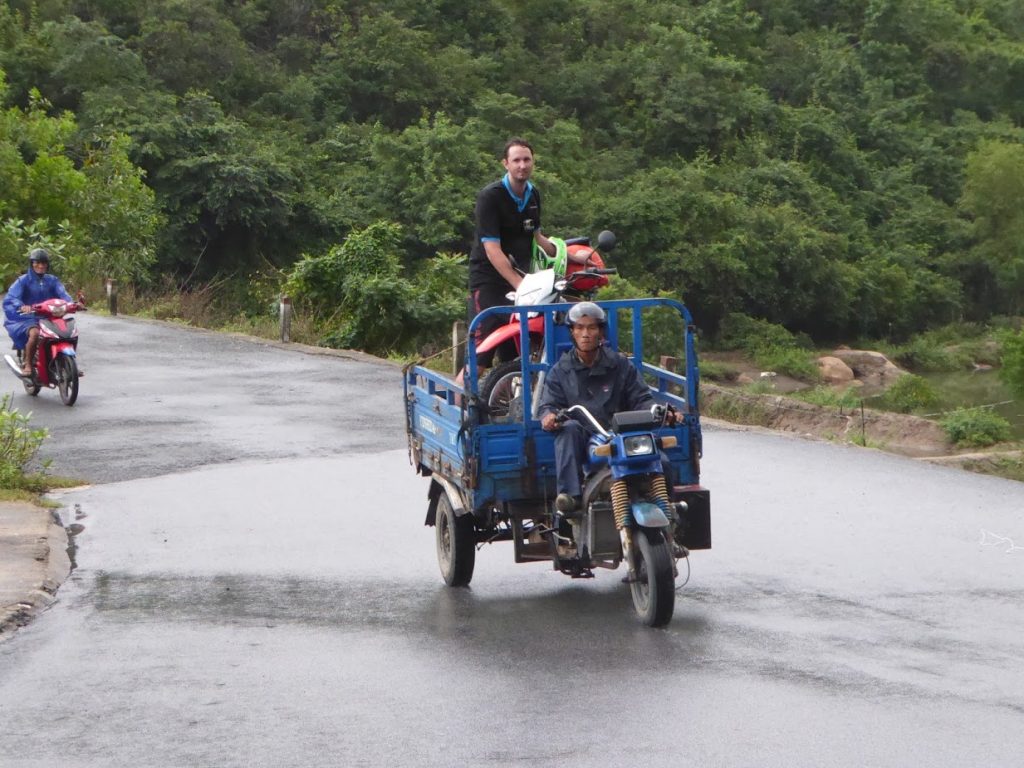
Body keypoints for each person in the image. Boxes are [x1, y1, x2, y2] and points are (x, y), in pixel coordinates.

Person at [537, 302, 677, 513]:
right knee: (568, 430)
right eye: (580, 328)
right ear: (572, 332)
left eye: (592, 327)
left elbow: (641, 397)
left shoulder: (620, 364)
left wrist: (660, 411)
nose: (586, 334)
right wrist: (549, 416)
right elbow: (548, 404)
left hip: (622, 435)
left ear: (601, 332)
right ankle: (570, 498)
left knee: (662, 461)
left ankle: (670, 511)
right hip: (586, 437)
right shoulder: (560, 371)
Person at [467, 138, 590, 371]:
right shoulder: (491, 197)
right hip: (490, 281)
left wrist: (573, 257)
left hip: (523, 282)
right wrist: (521, 285)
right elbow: (492, 250)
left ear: (533, 162)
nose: (522, 165)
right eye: (516, 160)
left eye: (526, 160)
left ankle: (511, 404)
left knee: (516, 357)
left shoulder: (533, 195)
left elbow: (538, 239)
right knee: (481, 355)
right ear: (506, 163)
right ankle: (457, 405)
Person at [3, 248, 74, 376]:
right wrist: (22, 306)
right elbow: (11, 297)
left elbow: (63, 294)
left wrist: (72, 304)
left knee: (68, 332)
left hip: (49, 316)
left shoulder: (52, 280)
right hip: (27, 317)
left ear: (47, 264)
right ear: (32, 263)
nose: (40, 266)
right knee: (35, 334)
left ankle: (69, 363)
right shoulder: (23, 280)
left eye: (43, 263)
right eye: (37, 262)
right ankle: (28, 363)